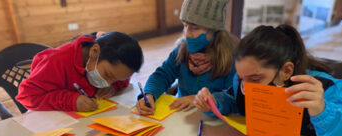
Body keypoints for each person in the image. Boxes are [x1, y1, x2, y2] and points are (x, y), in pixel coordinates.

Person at [194, 25, 342, 136]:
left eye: (255, 79)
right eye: (241, 78)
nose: (245, 88)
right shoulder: (244, 80)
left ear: (286, 71)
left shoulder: (328, 90)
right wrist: (213, 102)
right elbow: (233, 101)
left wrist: (323, 112)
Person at [136, 0, 237, 115]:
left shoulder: (231, 59)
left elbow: (232, 99)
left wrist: (204, 100)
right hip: (182, 116)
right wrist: (149, 94)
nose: (187, 33)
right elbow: (162, 75)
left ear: (215, 30)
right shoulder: (180, 50)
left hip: (212, 122)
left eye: (195, 28)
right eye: (185, 25)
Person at [16, 31, 144, 112]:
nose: (107, 83)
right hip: (56, 124)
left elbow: (122, 78)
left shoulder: (115, 66)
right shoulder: (56, 61)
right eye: (107, 75)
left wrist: (114, 87)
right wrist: (71, 101)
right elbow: (26, 96)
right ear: (94, 52)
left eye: (115, 79)